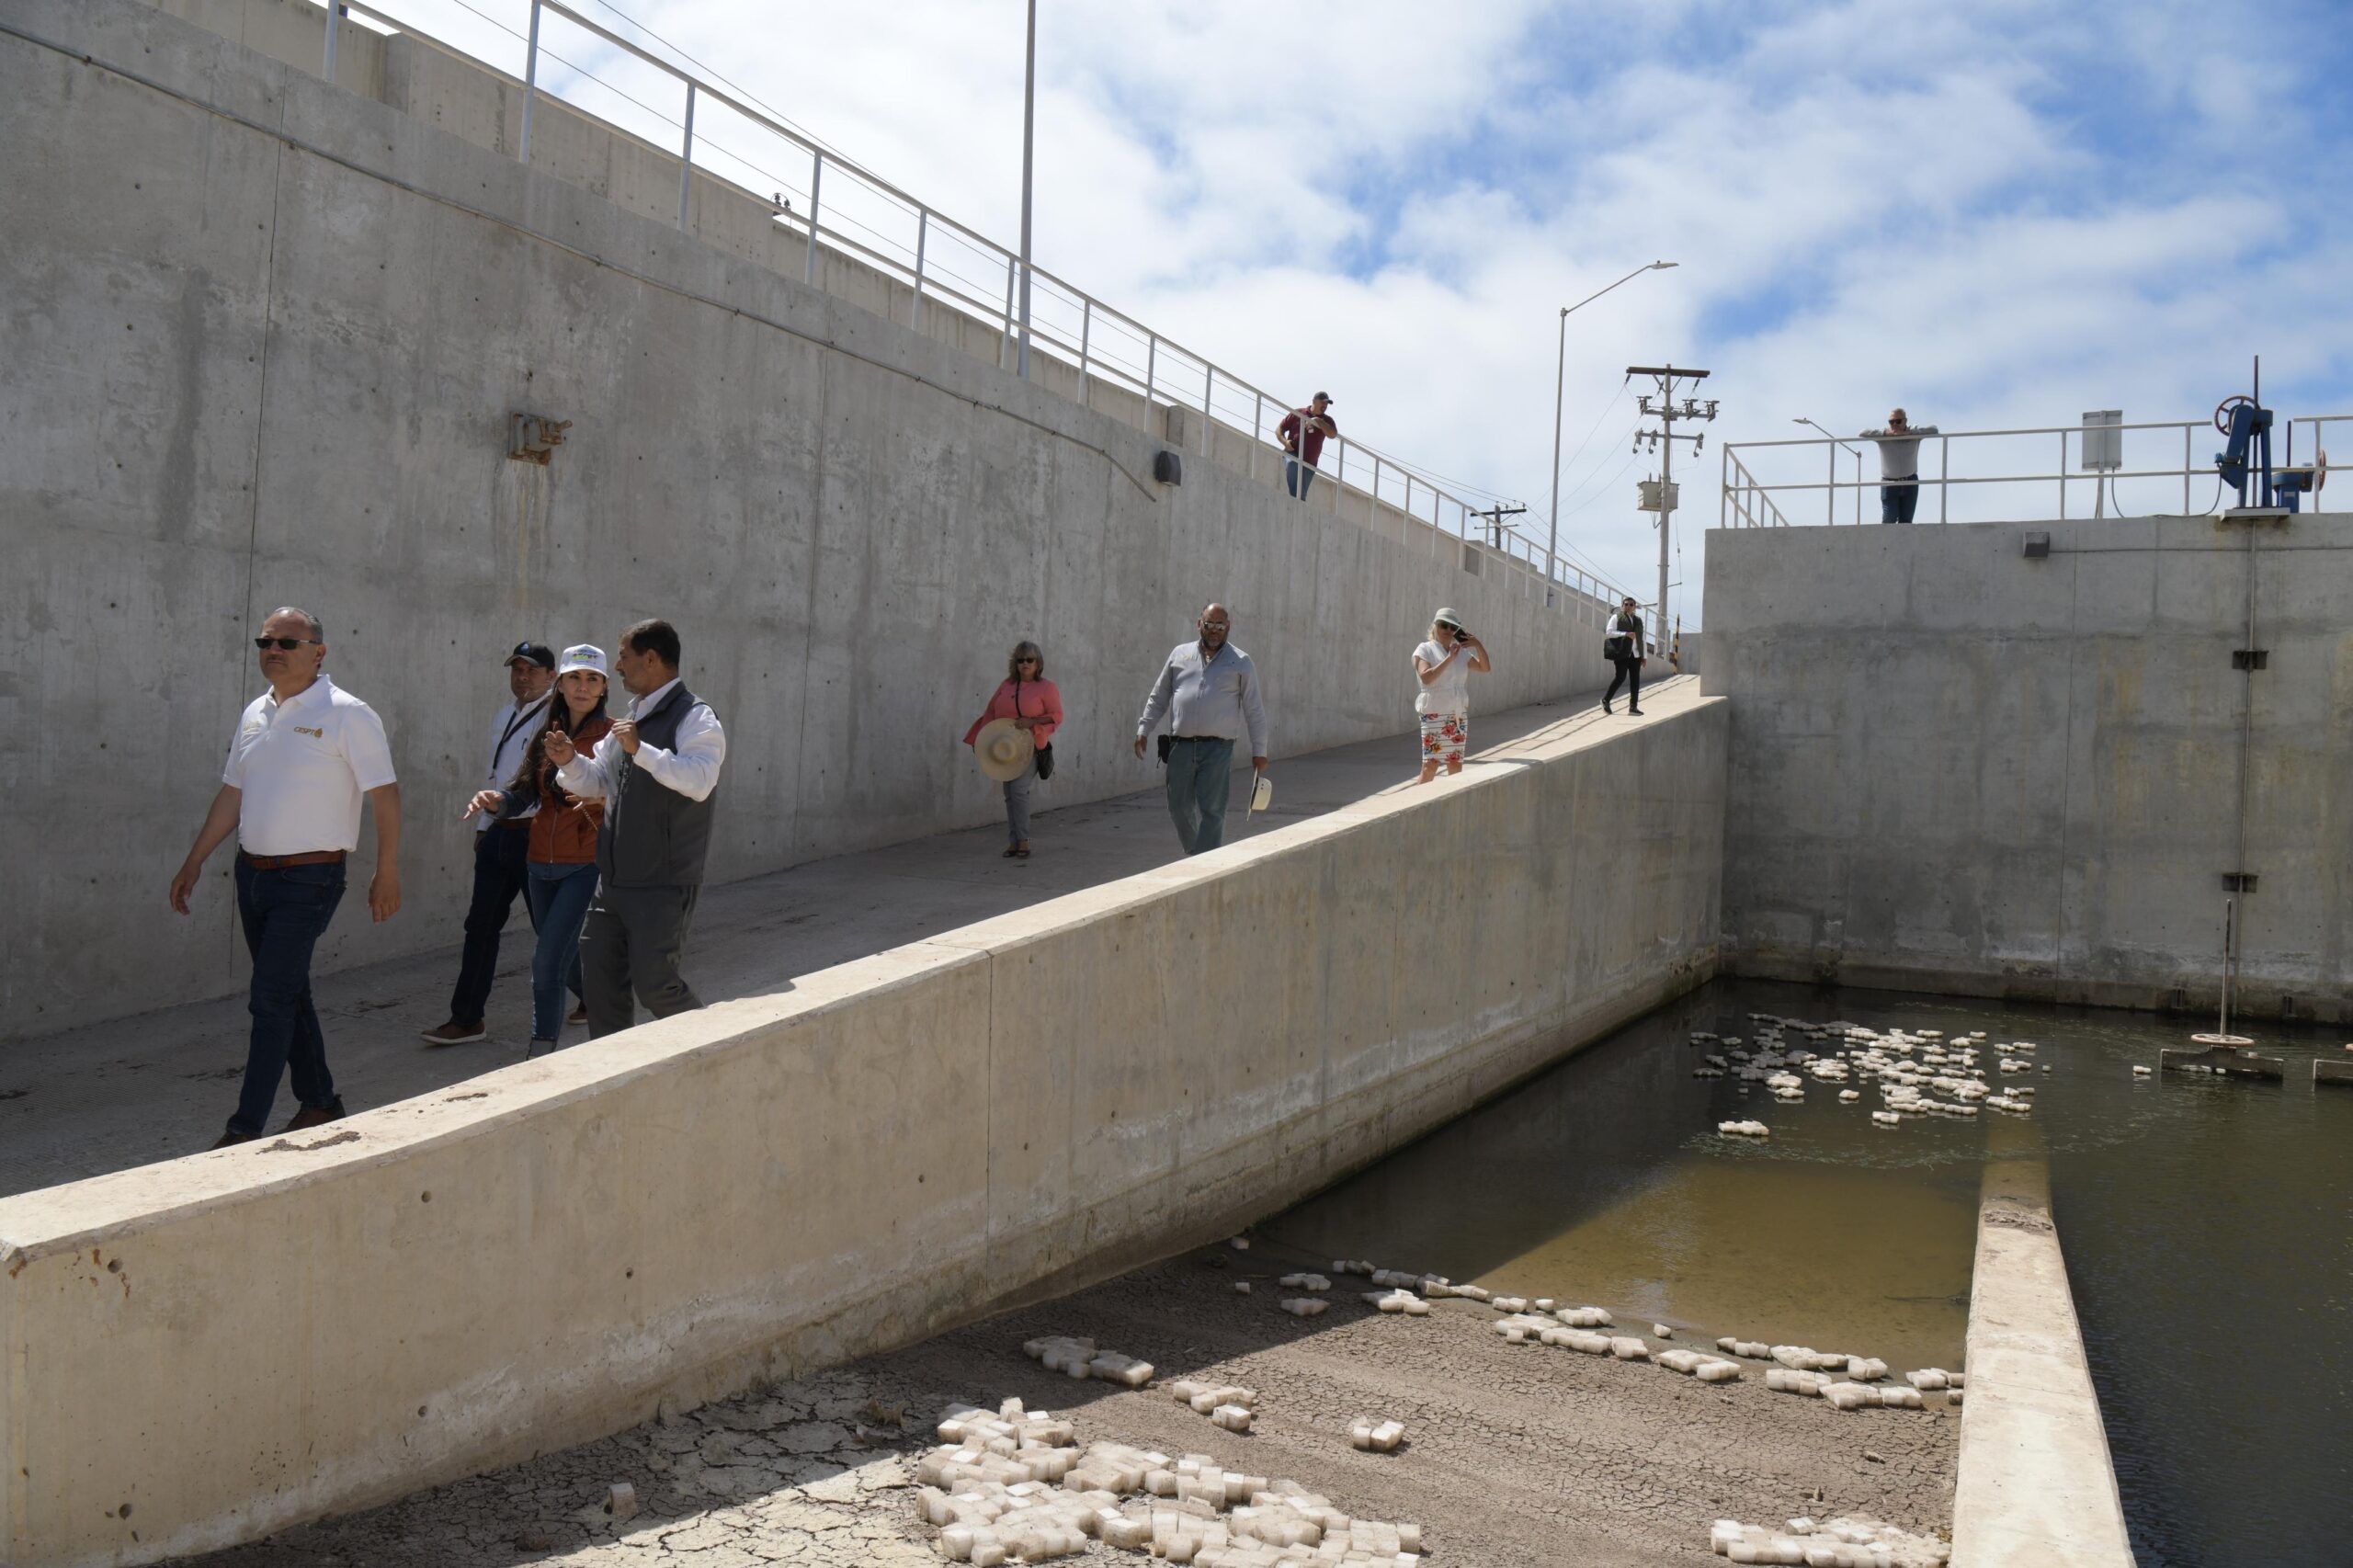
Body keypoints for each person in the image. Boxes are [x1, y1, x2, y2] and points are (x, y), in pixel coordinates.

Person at [168, 607, 401, 1147]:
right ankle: (320, 1102)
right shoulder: (255, 711)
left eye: (287, 643)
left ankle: (243, 1129)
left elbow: (385, 794)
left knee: (270, 998)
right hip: (253, 875)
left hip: (310, 879)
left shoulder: (348, 713)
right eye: (265, 642)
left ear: (318, 652)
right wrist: (195, 859)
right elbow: (234, 791)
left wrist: (387, 870)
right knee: (287, 991)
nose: (273, 650)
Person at [548, 619, 726, 1037]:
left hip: (662, 882)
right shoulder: (631, 717)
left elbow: (700, 781)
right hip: (611, 882)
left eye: (623, 657)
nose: (618, 667)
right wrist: (569, 761)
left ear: (650, 659)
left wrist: (640, 749)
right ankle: (612, 1069)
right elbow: (600, 781)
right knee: (601, 987)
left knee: (657, 986)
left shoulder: (696, 716)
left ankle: (716, 1049)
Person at [464, 645, 613, 1058]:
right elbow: (524, 793)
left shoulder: (614, 737)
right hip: (538, 866)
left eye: (592, 679)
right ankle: (607, 1012)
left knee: (546, 962)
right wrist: (497, 801)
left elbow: (626, 798)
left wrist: (601, 799)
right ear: (560, 685)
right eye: (575, 678)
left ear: (604, 688)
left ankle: (540, 1054)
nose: (582, 687)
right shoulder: (546, 734)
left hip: (584, 866)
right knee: (561, 959)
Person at [420, 642, 559, 1046]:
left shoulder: (556, 716)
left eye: (532, 670)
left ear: (552, 676)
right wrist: (485, 826)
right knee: (480, 927)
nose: (523, 677)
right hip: (500, 832)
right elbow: (494, 773)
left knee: (552, 928)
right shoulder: (504, 714)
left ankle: (591, 996)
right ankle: (467, 1019)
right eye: (517, 669)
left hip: (536, 835)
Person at [1133, 603, 1269, 856]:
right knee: (1178, 806)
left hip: (1218, 748)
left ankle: (1205, 861)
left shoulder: (1241, 662)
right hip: (1181, 746)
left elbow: (1254, 710)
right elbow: (1159, 696)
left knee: (1213, 810)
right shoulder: (1179, 655)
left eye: (1220, 625)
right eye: (1209, 624)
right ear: (1199, 624)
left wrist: (1259, 751)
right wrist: (1144, 728)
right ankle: (1196, 853)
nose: (1214, 630)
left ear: (1228, 627)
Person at [964, 641, 1063, 859]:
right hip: (1005, 749)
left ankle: (1023, 840)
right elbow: (991, 712)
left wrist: (1032, 722)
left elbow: (1056, 716)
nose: (1025, 664)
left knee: (1018, 791)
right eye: (1020, 660)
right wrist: (983, 738)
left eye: (1030, 660)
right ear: (1015, 663)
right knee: (1009, 794)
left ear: (1038, 663)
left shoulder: (1047, 687)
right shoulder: (1006, 685)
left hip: (1030, 746)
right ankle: (1014, 841)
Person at [1411, 608, 1490, 782]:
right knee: (1430, 765)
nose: (1448, 630)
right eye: (1443, 625)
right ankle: (1420, 798)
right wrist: (1449, 658)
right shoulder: (1424, 649)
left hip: (1457, 715)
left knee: (1455, 765)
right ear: (1435, 626)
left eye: (1452, 627)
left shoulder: (1461, 652)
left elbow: (1484, 668)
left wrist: (1478, 645)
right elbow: (1426, 678)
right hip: (1433, 712)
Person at [1860, 407, 1939, 525]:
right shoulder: (1884, 434)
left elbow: (1934, 429)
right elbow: (1862, 433)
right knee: (1889, 519)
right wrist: (1885, 433)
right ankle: (1886, 538)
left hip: (1910, 482)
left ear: (1905, 421)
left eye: (1898, 421)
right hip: (1889, 483)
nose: (1894, 425)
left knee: (1906, 522)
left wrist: (1910, 434)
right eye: (1891, 422)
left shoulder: (1914, 432)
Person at [1276, 392, 1337, 500]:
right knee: (1292, 464)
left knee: (1301, 494)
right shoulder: (1299, 413)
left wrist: (1318, 421)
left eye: (1326, 403)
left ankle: (1297, 504)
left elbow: (1332, 434)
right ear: (1314, 401)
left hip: (1310, 463)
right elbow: (1279, 429)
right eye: (1322, 402)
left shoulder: (1327, 420)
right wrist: (1285, 442)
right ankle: (1295, 502)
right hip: (1292, 453)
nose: (1325, 405)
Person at [1603, 597, 1645, 715]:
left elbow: (1641, 639)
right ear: (1622, 606)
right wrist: (1625, 634)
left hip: (1635, 654)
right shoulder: (1616, 617)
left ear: (1634, 607)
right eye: (1626, 604)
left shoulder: (1638, 620)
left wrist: (1644, 656)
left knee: (1635, 680)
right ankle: (1606, 700)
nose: (1628, 606)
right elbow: (1609, 632)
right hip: (1622, 652)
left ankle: (1633, 707)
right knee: (1620, 677)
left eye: (1631, 604)